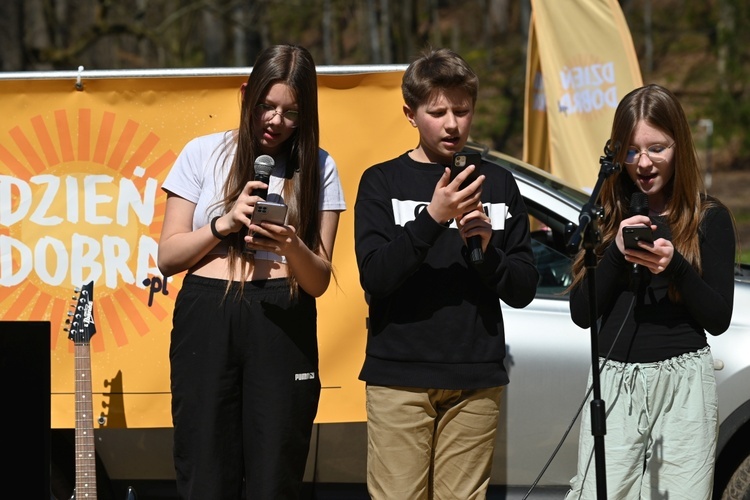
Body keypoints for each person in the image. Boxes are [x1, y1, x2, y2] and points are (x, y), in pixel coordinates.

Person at [157, 44, 346, 499]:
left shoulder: (320, 166)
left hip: (282, 317)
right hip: (207, 314)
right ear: (247, 95)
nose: (275, 121)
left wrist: (289, 243)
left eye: (290, 113)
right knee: (204, 467)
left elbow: (318, 279)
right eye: (267, 105)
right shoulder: (202, 153)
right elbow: (168, 257)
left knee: (275, 470)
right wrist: (223, 224)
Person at [353, 47, 539, 499]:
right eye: (438, 112)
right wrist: (433, 218)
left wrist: (487, 251)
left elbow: (523, 287)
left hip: (476, 377)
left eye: (462, 110)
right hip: (399, 376)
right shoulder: (382, 181)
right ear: (410, 114)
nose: (452, 124)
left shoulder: (497, 184)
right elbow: (375, 276)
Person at [565, 84, 736, 499]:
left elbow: (718, 318)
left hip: (684, 383)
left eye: (656, 148)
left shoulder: (708, 219)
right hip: (615, 380)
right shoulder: (606, 217)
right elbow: (581, 314)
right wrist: (616, 254)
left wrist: (675, 266)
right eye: (631, 150)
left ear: (679, 146)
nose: (643, 163)